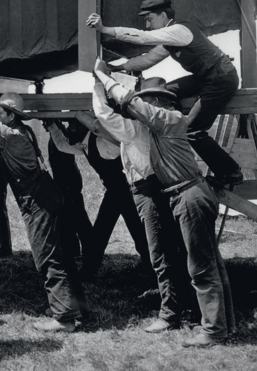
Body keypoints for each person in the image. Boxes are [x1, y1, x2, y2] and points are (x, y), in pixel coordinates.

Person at [94, 59, 235, 347]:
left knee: (202, 267)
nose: (147, 106)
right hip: (188, 193)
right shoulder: (167, 123)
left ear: (161, 103)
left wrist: (100, 77)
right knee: (209, 264)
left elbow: (128, 104)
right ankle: (222, 324)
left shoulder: (166, 121)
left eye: (152, 101)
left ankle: (213, 331)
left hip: (188, 195)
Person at [0, 68, 83, 332]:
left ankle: (65, 318)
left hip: (38, 204)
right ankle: (72, 306)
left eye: (0, 113)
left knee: (47, 258)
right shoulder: (22, 131)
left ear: (11, 116)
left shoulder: (10, 137)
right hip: (49, 197)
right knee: (62, 255)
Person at [87, 0, 243, 186]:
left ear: (162, 15)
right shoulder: (171, 40)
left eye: (149, 19)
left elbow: (143, 37)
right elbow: (148, 60)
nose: (147, 24)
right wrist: (115, 69)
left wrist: (104, 30)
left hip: (221, 78)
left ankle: (230, 172)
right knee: (164, 92)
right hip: (206, 77)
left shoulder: (180, 31)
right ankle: (169, 124)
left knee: (192, 130)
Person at [90, 75, 198, 333]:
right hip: (159, 188)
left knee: (159, 253)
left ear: (156, 103)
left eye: (144, 101)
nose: (138, 106)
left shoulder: (137, 128)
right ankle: (189, 307)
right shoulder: (156, 125)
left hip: (147, 191)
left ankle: (170, 314)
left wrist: (97, 84)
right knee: (173, 249)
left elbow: (104, 114)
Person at [44, 119, 153, 283]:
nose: (69, 130)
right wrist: (52, 126)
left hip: (127, 193)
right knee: (99, 236)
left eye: (73, 126)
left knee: (139, 236)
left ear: (83, 126)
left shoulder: (102, 143)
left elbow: (122, 146)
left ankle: (155, 277)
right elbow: (62, 145)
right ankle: (87, 274)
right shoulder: (84, 143)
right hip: (115, 194)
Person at [43, 123, 93, 262]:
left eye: (47, 123)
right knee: (70, 216)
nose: (44, 126)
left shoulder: (61, 135)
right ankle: (75, 249)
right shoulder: (56, 135)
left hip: (69, 182)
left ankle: (88, 248)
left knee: (78, 217)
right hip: (66, 182)